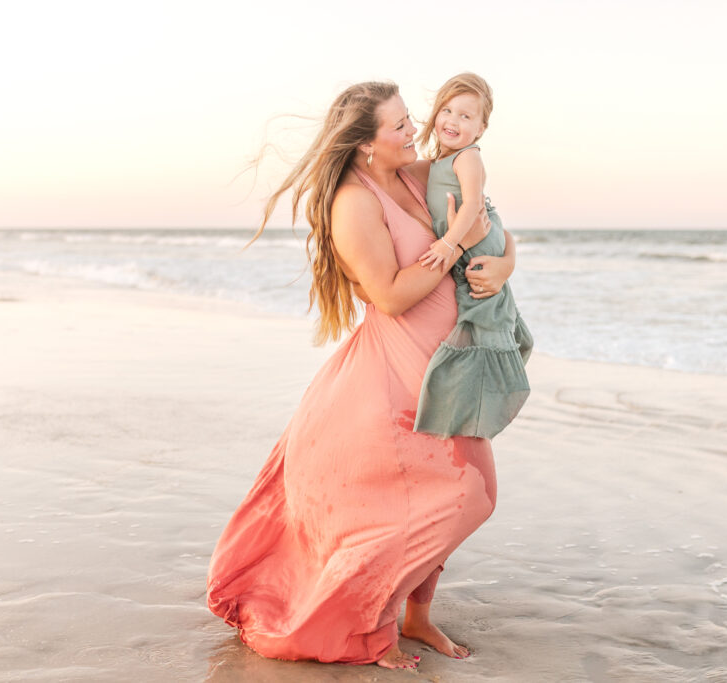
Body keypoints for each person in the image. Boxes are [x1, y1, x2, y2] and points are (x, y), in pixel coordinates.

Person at [206, 81, 516, 671]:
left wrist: (500, 265)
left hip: (451, 362)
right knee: (459, 498)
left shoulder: (419, 174)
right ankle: (372, 627)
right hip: (397, 370)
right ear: (368, 143)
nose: (414, 128)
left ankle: (418, 615)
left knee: (460, 495)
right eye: (399, 124)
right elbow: (391, 295)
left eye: (409, 119)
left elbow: (493, 227)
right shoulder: (354, 201)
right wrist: (454, 250)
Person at [415, 73, 533, 440]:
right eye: (447, 110)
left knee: (483, 313)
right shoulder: (439, 161)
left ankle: (486, 388)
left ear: (480, 129)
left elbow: (474, 205)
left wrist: (450, 243)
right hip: (474, 238)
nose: (453, 120)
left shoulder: (467, 158)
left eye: (466, 116)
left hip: (474, 239)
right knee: (489, 310)